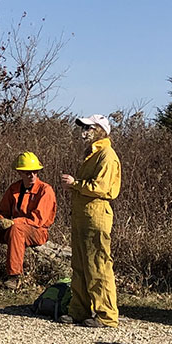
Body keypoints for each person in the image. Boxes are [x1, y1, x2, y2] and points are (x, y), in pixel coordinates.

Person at [59, 115, 121, 328]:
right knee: (79, 265)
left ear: (100, 130)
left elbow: (101, 188)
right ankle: (79, 310)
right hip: (82, 214)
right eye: (83, 127)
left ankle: (106, 315)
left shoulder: (107, 155)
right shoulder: (92, 154)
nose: (84, 130)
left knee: (98, 265)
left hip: (96, 215)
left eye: (88, 127)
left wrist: (75, 183)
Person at [0, 152, 57, 289]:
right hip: (14, 229)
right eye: (28, 172)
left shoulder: (45, 190)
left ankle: (13, 277)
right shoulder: (14, 188)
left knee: (16, 229)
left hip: (37, 231)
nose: (32, 175)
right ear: (20, 173)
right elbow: (3, 211)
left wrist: (14, 222)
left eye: (35, 172)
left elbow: (38, 220)